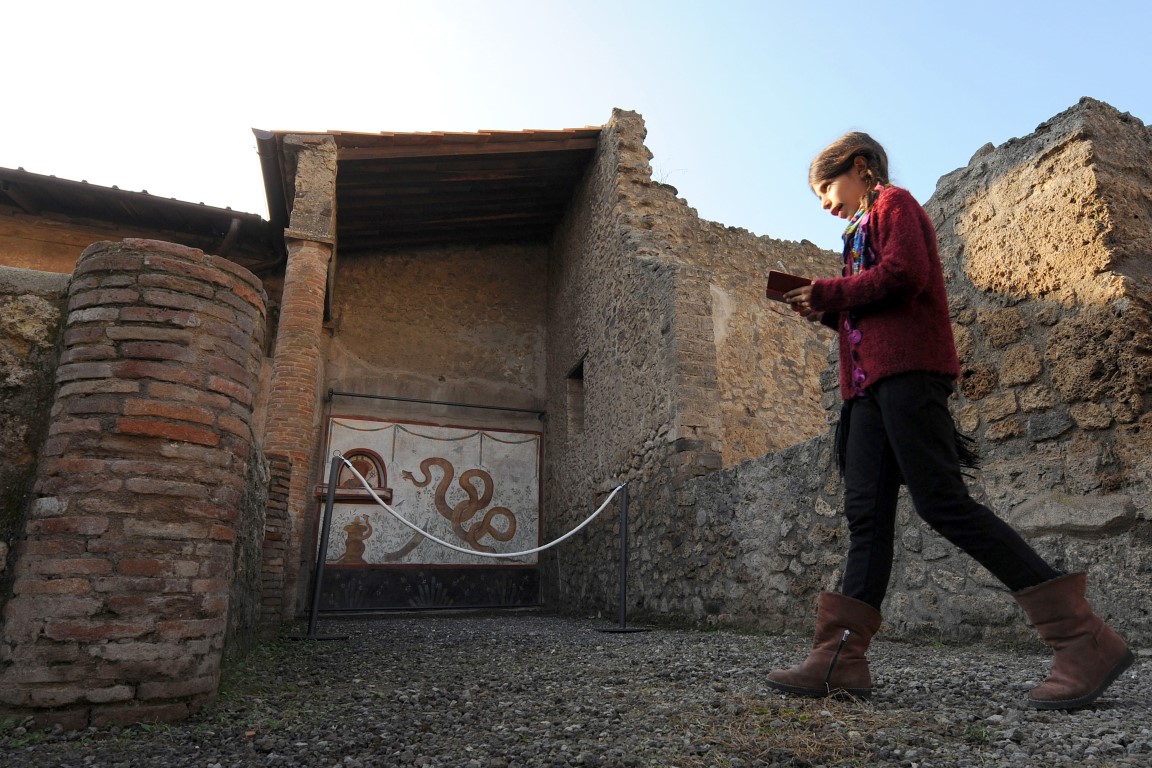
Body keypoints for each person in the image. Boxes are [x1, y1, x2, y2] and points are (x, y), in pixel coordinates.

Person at [767, 131, 1133, 710]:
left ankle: (1083, 639)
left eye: (826, 187)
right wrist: (823, 307)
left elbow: (905, 275)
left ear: (860, 168)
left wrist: (832, 293)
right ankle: (840, 658)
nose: (824, 203)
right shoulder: (855, 235)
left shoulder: (895, 205)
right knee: (866, 518)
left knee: (943, 503)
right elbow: (870, 316)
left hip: (909, 377)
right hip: (866, 393)